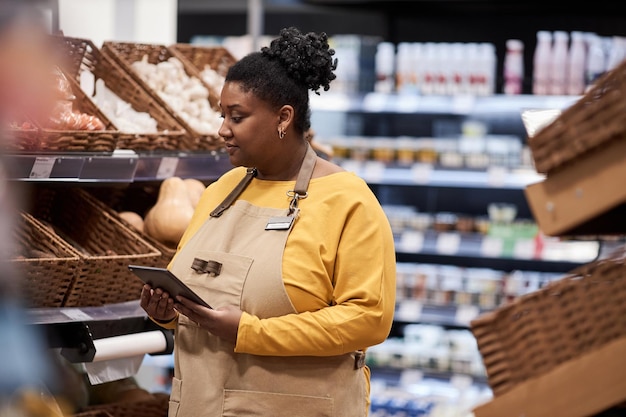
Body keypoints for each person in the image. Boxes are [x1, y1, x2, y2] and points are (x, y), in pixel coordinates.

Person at [140, 26, 396, 417]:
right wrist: (169, 313)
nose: (222, 129)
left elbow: (368, 320)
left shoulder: (348, 201)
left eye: (237, 117)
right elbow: (199, 296)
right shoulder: (220, 192)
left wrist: (250, 332)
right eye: (222, 115)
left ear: (283, 118)